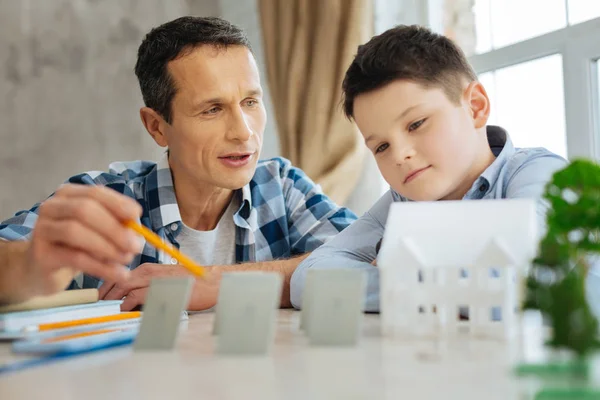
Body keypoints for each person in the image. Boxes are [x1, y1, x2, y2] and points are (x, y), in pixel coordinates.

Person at [0, 16, 356, 308]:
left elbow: (373, 260)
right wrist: (31, 265)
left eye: (250, 102)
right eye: (212, 109)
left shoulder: (281, 186)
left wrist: (214, 284)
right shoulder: (106, 197)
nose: (244, 133)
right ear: (157, 127)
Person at [290, 25, 568, 312]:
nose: (400, 155)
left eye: (416, 124)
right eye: (381, 147)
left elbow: (521, 277)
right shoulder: (402, 201)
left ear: (475, 106)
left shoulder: (539, 173)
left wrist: (395, 273)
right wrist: (452, 284)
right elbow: (307, 281)